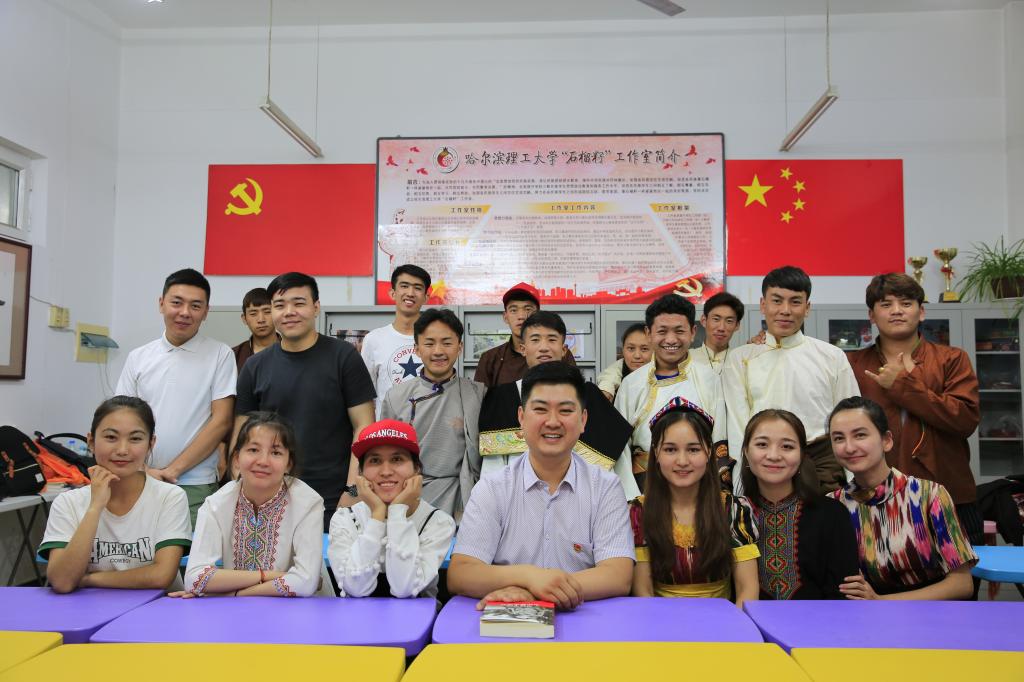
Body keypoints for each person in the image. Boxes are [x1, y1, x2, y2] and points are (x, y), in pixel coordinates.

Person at [449, 362, 635, 610]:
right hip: (510, 625)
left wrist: (533, 592)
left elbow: (618, 575)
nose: (553, 421)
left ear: (583, 420)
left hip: (584, 621)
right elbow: (461, 573)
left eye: (565, 410)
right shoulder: (492, 488)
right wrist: (529, 577)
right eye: (540, 409)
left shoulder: (605, 487)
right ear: (521, 418)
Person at [847, 273, 983, 545]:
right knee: (878, 570)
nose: (896, 311)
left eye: (906, 303)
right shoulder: (853, 364)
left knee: (960, 571)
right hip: (874, 495)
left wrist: (900, 384)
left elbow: (964, 419)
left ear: (921, 312)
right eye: (886, 304)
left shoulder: (951, 359)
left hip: (949, 494)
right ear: (871, 315)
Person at [235, 272, 376, 530]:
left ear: (316, 307)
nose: (289, 312)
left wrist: (353, 490)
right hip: (270, 497)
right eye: (280, 305)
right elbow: (241, 437)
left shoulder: (344, 357)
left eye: (299, 303)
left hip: (334, 499)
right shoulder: (254, 367)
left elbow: (364, 427)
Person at [722, 265, 859, 494]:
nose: (785, 310)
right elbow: (738, 427)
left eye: (795, 302)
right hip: (764, 462)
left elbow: (851, 419)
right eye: (777, 301)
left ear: (807, 308)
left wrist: (854, 478)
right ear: (763, 305)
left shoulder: (832, 357)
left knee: (827, 517)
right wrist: (740, 486)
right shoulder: (740, 359)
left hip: (821, 463)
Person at [116, 268, 236, 526]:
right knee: (138, 548)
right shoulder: (139, 357)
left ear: (206, 311)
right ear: (161, 304)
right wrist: (143, 470)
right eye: (177, 302)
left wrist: (173, 471)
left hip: (194, 483)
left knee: (189, 550)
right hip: (139, 479)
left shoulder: (220, 354)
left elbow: (222, 421)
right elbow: (121, 420)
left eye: (195, 306)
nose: (185, 312)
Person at [828, 396, 978, 600]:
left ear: (886, 440)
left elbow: (962, 584)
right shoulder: (834, 505)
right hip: (862, 614)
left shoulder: (929, 495)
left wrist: (881, 602)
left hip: (929, 613)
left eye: (860, 435)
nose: (849, 447)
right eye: (838, 438)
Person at [478, 311, 638, 498]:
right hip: (519, 503)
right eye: (535, 340)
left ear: (564, 349)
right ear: (523, 348)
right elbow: (493, 472)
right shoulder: (503, 399)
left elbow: (619, 475)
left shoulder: (591, 399)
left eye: (552, 340)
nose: (544, 347)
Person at [39, 396, 191, 593]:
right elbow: (62, 581)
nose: (122, 450)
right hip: (88, 608)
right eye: (111, 437)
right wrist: (95, 507)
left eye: (135, 438)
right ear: (91, 441)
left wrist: (89, 579)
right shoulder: (67, 503)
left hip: (157, 608)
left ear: (151, 444)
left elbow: (161, 576)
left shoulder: (169, 497)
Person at [180, 412, 331, 597]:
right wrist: (266, 576)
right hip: (236, 611)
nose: (263, 461)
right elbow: (194, 578)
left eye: (275, 453)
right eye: (253, 450)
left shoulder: (308, 503)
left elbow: (306, 582)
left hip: (298, 609)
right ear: (237, 458)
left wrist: (233, 595)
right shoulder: (217, 504)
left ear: (289, 464)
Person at [629, 397, 759, 606]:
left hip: (724, 622)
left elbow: (747, 590)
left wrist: (735, 625)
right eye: (670, 449)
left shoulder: (733, 510)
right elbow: (643, 591)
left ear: (709, 452)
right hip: (658, 620)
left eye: (693, 449)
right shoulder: (639, 512)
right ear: (656, 453)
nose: (682, 461)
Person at [328, 420, 456, 599]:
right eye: (375, 460)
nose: (386, 471)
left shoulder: (438, 522)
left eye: (397, 459)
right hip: (357, 617)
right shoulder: (345, 518)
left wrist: (397, 513)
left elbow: (405, 589)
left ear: (416, 468)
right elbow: (356, 588)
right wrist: (377, 516)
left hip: (417, 617)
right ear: (361, 473)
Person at [740, 409, 859, 600]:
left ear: (803, 455)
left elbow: (843, 596)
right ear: (746, 451)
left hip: (821, 619)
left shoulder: (833, 514)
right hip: (745, 619)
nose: (773, 455)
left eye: (787, 446)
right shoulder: (733, 514)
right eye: (762, 444)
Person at [614, 295, 728, 492]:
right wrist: (630, 498)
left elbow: (719, 438)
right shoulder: (631, 383)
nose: (671, 339)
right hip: (643, 487)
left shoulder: (709, 379)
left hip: (697, 485)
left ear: (693, 332)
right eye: (662, 331)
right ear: (649, 333)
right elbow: (619, 447)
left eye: (679, 331)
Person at [380, 308, 487, 517]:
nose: (438, 351)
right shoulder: (396, 397)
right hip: (409, 498)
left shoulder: (478, 393)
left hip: (463, 497)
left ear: (459, 347)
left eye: (447, 343)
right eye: (429, 343)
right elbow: (385, 456)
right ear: (417, 349)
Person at [474, 282, 576, 388]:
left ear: (538, 314)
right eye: (514, 310)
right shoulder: (490, 358)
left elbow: (574, 391)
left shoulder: (559, 354)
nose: (521, 316)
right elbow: (480, 397)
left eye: (528, 309)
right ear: (505, 317)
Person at [362, 264, 431, 417]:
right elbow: (365, 395)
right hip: (387, 428)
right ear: (393, 293)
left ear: (426, 297)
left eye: (417, 288)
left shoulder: (434, 339)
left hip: (428, 426)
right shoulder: (373, 339)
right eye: (404, 286)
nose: (410, 293)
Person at [692, 292, 744, 375]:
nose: (721, 328)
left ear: (737, 325)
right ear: (704, 320)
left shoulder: (741, 362)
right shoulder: (687, 358)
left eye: (729, 321)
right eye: (716, 319)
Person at [597, 323, 652, 401]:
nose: (637, 355)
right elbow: (610, 376)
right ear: (623, 350)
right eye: (631, 348)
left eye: (644, 349)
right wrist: (606, 388)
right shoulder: (616, 370)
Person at [231, 287, 279, 372]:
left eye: (267, 312)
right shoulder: (234, 355)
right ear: (244, 319)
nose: (261, 320)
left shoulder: (292, 349)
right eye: (253, 314)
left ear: (278, 314)